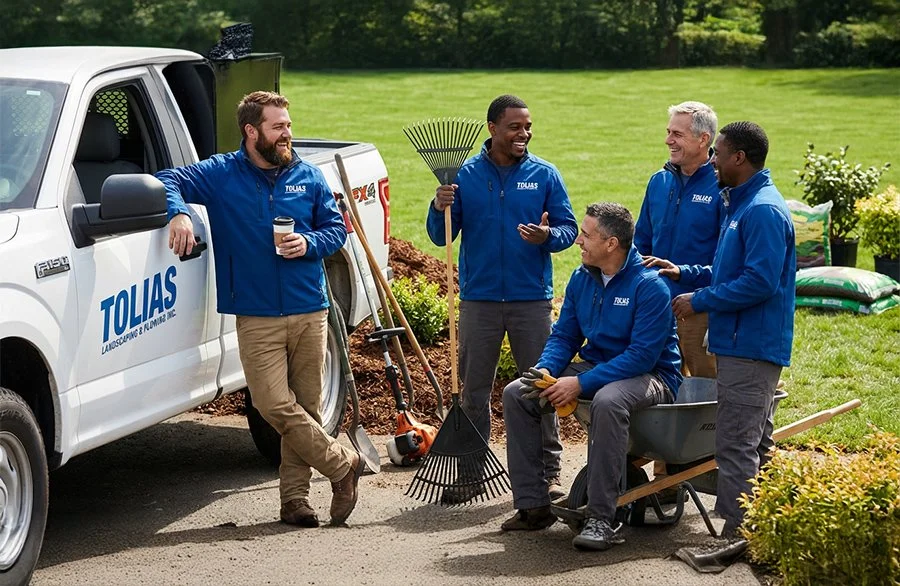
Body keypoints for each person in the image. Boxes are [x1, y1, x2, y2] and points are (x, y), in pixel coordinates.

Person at [157, 91, 363, 528]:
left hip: (311, 309)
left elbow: (335, 231)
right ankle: (343, 463)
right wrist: (180, 215)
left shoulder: (308, 176)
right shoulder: (220, 174)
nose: (287, 133)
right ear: (252, 132)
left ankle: (294, 501)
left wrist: (309, 243)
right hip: (256, 315)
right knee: (273, 405)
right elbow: (167, 179)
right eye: (278, 127)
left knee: (305, 408)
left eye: (288, 125)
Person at [501, 202, 682, 551]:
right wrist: (548, 370)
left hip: (651, 376)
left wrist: (580, 383)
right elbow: (565, 335)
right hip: (599, 368)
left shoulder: (650, 287)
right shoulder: (583, 278)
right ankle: (533, 505)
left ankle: (603, 518)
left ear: (612, 244)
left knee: (608, 400)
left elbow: (641, 356)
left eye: (586, 235)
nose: (578, 241)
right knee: (518, 392)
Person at [426, 94, 578, 503]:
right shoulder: (465, 175)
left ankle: (550, 473)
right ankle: (472, 473)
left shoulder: (544, 175)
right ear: (492, 128)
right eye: (515, 127)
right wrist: (437, 205)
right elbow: (440, 236)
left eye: (527, 126)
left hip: (531, 301)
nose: (523, 134)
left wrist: (548, 237)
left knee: (541, 387)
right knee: (474, 391)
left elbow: (569, 229)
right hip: (480, 300)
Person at [648, 121, 796, 541]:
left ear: (739, 158)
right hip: (737, 343)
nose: (712, 159)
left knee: (735, 446)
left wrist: (700, 300)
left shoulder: (762, 210)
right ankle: (765, 530)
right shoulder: (741, 204)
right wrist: (688, 274)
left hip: (751, 346)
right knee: (752, 443)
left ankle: (736, 536)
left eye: (718, 152)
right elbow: (728, 271)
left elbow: (760, 282)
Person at [635, 101, 722, 379]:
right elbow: (641, 242)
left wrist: (697, 290)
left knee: (707, 389)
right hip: (658, 307)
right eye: (668, 132)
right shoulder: (658, 182)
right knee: (660, 387)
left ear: (703, 139)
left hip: (701, 308)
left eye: (677, 134)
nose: (668, 140)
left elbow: (728, 260)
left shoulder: (724, 187)